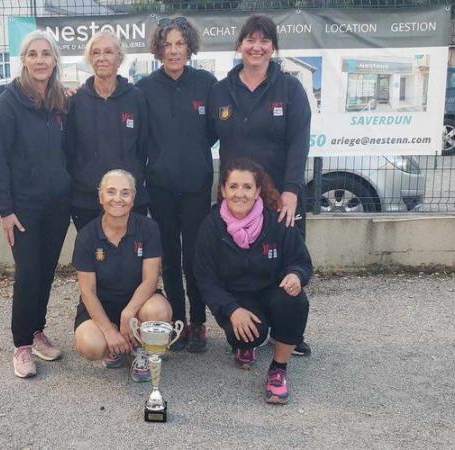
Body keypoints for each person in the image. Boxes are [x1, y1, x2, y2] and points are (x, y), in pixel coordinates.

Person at [207, 14, 313, 356]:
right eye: (250, 40)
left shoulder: (290, 89)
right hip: (239, 196)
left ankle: (288, 332)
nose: (257, 46)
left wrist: (292, 190)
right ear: (240, 46)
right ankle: (249, 329)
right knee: (238, 264)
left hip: (279, 196)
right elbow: (201, 137)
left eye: (264, 40)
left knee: (286, 266)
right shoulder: (221, 91)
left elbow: (299, 142)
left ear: (273, 47)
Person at [194, 158, 312, 404]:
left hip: (272, 290)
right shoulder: (211, 226)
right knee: (248, 335)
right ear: (224, 190)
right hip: (236, 297)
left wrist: (296, 276)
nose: (240, 193)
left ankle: (278, 369)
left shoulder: (278, 219)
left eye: (247, 187)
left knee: (295, 299)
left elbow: (301, 262)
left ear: (258, 190)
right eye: (233, 186)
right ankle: (247, 343)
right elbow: (206, 280)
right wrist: (232, 310)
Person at [0, 31, 71, 378]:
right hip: (23, 209)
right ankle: (21, 345)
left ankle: (38, 331)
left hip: (57, 205)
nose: (40, 60)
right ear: (23, 60)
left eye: (46, 54)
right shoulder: (9, 102)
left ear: (54, 60)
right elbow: (0, 159)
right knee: (28, 273)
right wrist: (4, 210)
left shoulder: (59, 100)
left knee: (46, 271)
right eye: (33, 54)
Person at [135, 16, 217, 352]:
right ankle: (178, 323)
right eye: (167, 44)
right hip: (161, 188)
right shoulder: (145, 88)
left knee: (195, 257)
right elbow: (140, 138)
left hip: (197, 185)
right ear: (158, 48)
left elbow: (213, 131)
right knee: (168, 255)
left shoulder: (206, 84)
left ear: (189, 46)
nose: (173, 51)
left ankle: (198, 322)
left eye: (179, 44)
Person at [73, 169, 172, 382]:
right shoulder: (86, 236)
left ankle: (142, 352)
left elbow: (150, 279)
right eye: (111, 192)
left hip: (139, 304)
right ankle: (112, 347)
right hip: (101, 305)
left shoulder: (149, 228)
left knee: (159, 311)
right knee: (90, 345)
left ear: (133, 198)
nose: (118, 199)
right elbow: (87, 292)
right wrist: (108, 330)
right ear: (100, 197)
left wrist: (128, 313)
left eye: (125, 193)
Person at [65, 30, 149, 231]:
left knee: (128, 260)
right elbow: (69, 148)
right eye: (96, 53)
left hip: (128, 200)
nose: (102, 58)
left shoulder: (136, 98)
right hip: (86, 200)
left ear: (119, 58)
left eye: (108, 52)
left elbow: (143, 147)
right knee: (93, 259)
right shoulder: (75, 101)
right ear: (89, 59)